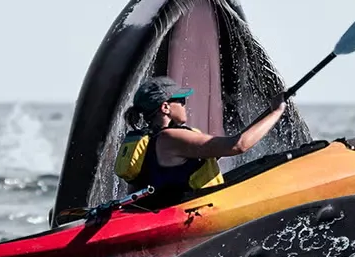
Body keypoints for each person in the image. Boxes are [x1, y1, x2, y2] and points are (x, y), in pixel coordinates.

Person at [114, 76, 287, 205]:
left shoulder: (147, 140)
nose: (184, 105)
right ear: (165, 107)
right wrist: (276, 112)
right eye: (180, 101)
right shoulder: (171, 137)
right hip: (186, 216)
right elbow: (238, 145)